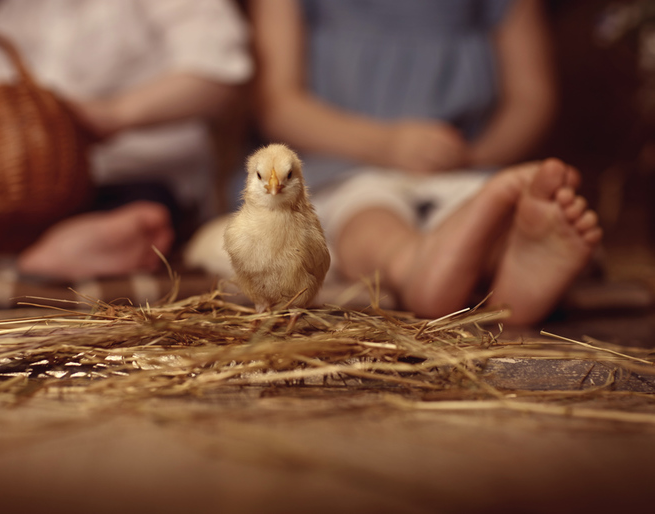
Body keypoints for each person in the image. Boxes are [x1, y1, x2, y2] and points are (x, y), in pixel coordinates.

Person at [244, 0, 602, 326]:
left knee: (487, 210)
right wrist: (385, 144)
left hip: (461, 167)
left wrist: (473, 156)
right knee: (366, 219)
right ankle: (412, 266)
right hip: (344, 164)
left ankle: (511, 266)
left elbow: (531, 99)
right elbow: (278, 105)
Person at [0, 0, 253, 281]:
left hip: (138, 174)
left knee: (146, 208)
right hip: (38, 188)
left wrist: (115, 114)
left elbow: (221, 74)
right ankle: (48, 247)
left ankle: (105, 238)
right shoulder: (12, 9)